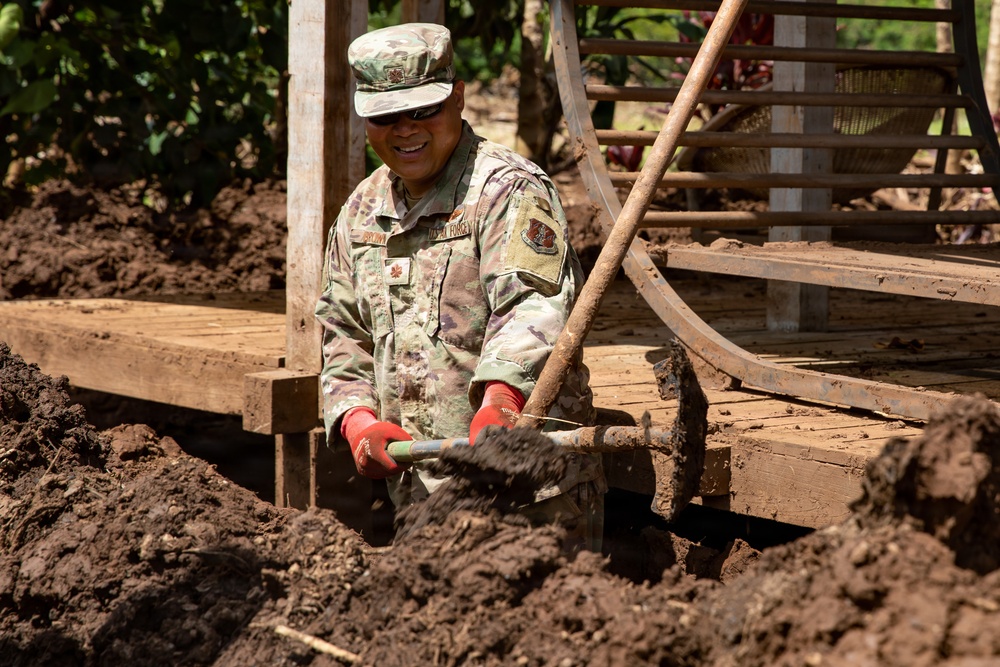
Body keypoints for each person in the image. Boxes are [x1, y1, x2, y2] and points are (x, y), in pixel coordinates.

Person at [315, 22, 604, 551]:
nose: (405, 130)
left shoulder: (507, 191)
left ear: (458, 98)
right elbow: (341, 332)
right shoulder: (361, 211)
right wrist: (357, 421)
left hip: (527, 489)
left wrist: (501, 401)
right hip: (422, 495)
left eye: (423, 111)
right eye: (385, 116)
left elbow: (533, 306)